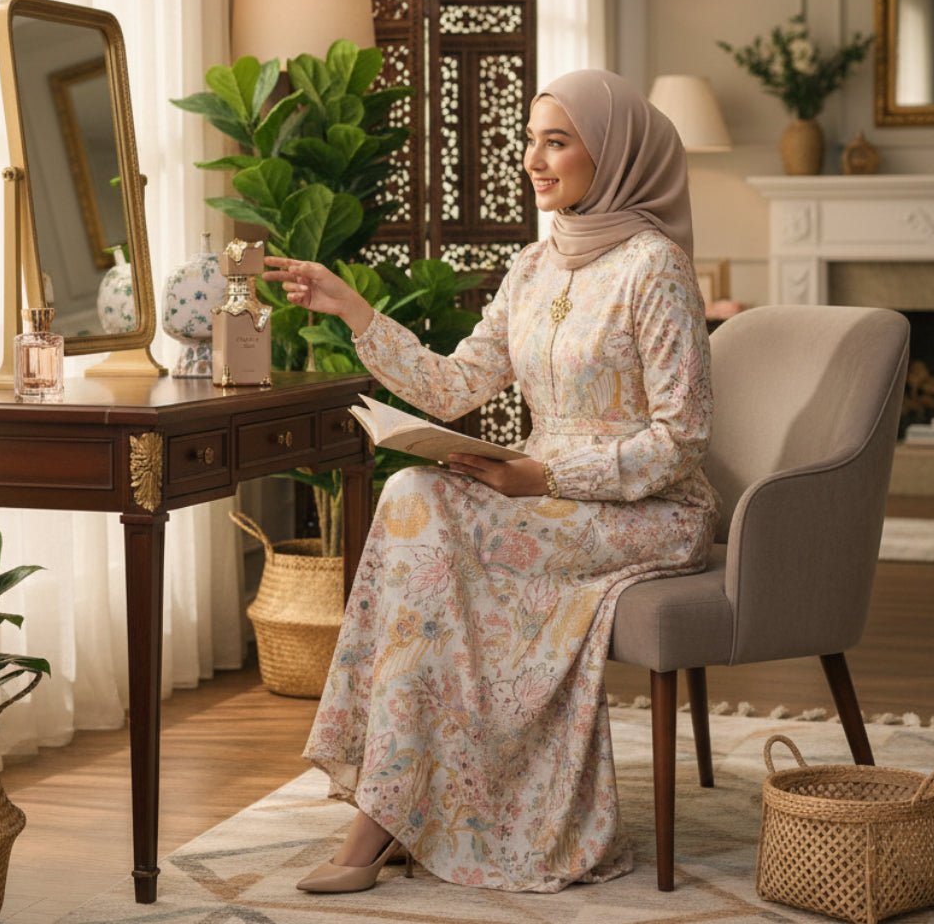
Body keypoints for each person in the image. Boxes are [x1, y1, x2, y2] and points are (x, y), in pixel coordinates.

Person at [262, 69, 719, 895]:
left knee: (439, 532)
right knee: (412, 496)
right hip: (543, 493)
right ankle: (401, 797)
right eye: (531, 140)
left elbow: (681, 441)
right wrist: (352, 309)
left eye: (557, 142)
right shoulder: (535, 265)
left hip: (649, 509)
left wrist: (543, 473)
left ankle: (384, 817)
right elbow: (453, 386)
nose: (533, 160)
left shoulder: (656, 268)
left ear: (612, 153)